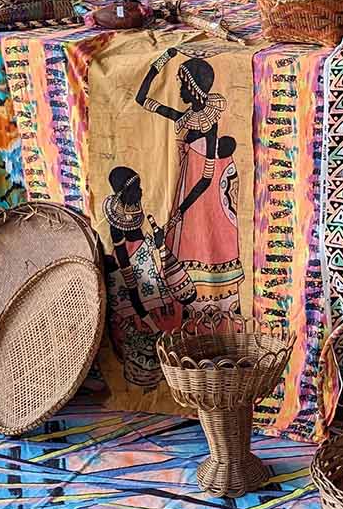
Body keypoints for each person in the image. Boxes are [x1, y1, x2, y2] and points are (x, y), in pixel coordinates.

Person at [135, 50, 242, 291]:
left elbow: (206, 177)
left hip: (201, 196)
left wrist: (181, 210)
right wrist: (163, 58)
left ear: (193, 88)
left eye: (183, 85)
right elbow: (141, 98)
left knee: (195, 250)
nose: (180, 91)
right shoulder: (186, 117)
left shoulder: (207, 124)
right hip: (187, 185)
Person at [102, 166, 193, 388]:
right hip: (135, 287)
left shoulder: (135, 211)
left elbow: (144, 246)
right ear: (126, 192)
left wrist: (159, 241)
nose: (141, 191)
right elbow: (129, 273)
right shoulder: (117, 225)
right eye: (137, 187)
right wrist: (148, 320)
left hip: (149, 280)